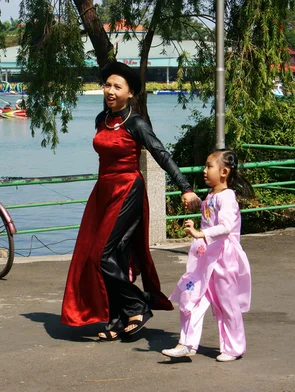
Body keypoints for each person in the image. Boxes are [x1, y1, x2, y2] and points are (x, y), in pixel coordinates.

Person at [60, 61, 201, 341]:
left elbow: (161, 154)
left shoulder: (136, 123)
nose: (109, 91)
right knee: (111, 255)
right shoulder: (102, 119)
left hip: (127, 189)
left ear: (130, 93)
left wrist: (185, 188)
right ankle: (117, 317)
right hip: (103, 191)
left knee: (101, 255)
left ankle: (137, 304)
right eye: (107, 85)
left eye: (117, 87)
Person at [162, 149, 253, 362]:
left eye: (209, 166)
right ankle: (186, 344)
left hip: (224, 259)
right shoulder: (211, 196)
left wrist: (200, 233)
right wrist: (197, 227)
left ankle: (233, 347)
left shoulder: (227, 197)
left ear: (223, 172)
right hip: (204, 258)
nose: (204, 171)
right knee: (190, 296)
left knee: (226, 304)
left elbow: (226, 227)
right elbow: (210, 221)